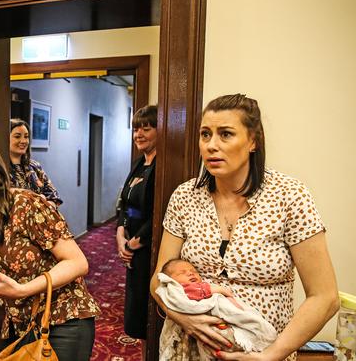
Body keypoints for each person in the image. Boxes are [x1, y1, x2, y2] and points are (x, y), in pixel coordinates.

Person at [150, 94, 339, 360]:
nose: (211, 145)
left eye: (225, 134)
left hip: (263, 352)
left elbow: (325, 297)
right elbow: (159, 278)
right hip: (186, 347)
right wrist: (182, 316)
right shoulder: (185, 196)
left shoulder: (290, 196)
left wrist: (270, 355)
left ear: (253, 141)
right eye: (205, 134)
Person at [0, 135, 100, 361]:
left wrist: (23, 290)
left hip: (64, 319)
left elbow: (77, 263)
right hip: (20, 328)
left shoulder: (27, 205)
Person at [156, 259, 277, 360]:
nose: (190, 273)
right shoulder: (176, 290)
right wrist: (216, 290)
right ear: (170, 280)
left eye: (194, 271)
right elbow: (187, 295)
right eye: (182, 273)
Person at [115, 105, 158, 340]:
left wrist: (133, 245)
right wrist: (120, 234)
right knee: (134, 305)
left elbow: (157, 215)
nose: (139, 134)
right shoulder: (138, 163)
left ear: (161, 131)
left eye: (146, 129)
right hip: (130, 242)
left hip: (145, 247)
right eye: (136, 129)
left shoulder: (161, 167)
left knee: (144, 308)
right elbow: (123, 200)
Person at [9, 118, 63, 206]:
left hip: (41, 217)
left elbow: (53, 195)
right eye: (17, 136)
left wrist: (47, 204)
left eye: (26, 137)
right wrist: (38, 199)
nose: (23, 141)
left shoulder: (34, 166)